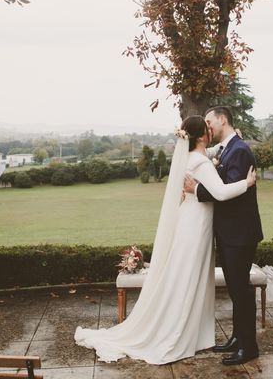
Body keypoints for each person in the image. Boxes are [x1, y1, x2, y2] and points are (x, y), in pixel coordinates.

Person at [74, 115, 256, 364]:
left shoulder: (194, 156)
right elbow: (221, 192)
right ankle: (180, 331)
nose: (210, 129)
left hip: (192, 219)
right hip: (197, 224)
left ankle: (197, 332)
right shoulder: (200, 162)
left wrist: (231, 142)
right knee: (188, 275)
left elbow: (214, 151)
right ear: (202, 135)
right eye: (207, 127)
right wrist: (246, 183)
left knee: (185, 274)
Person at [183, 106, 263, 366]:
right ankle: (237, 338)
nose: (208, 126)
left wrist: (196, 190)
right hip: (230, 232)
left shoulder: (238, 150)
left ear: (222, 120)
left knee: (241, 289)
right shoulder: (228, 148)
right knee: (234, 289)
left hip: (240, 232)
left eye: (210, 121)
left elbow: (227, 192)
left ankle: (249, 347)